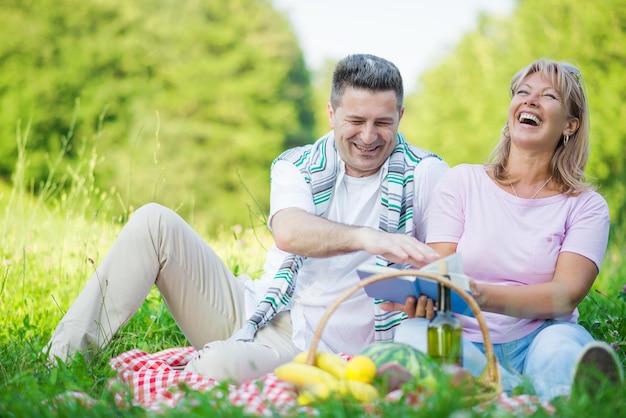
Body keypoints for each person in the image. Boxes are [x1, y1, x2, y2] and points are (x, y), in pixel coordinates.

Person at [44, 53, 449, 383]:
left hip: (314, 348)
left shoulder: (426, 173)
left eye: (383, 122)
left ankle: (219, 363)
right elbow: (290, 231)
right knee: (154, 221)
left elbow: (445, 274)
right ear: (331, 113)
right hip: (254, 310)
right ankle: (58, 364)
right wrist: (367, 238)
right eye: (356, 121)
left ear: (400, 116)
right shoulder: (297, 164)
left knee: (212, 369)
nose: (368, 136)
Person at [384, 58, 623, 401]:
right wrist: (426, 298)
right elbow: (439, 273)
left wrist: (479, 295)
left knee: (559, 348)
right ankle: (503, 389)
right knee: (413, 333)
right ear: (512, 113)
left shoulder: (585, 205)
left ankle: (570, 395)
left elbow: (564, 295)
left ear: (570, 125)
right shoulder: (462, 182)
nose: (529, 101)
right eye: (522, 92)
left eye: (548, 96)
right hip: (462, 336)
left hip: (540, 335)